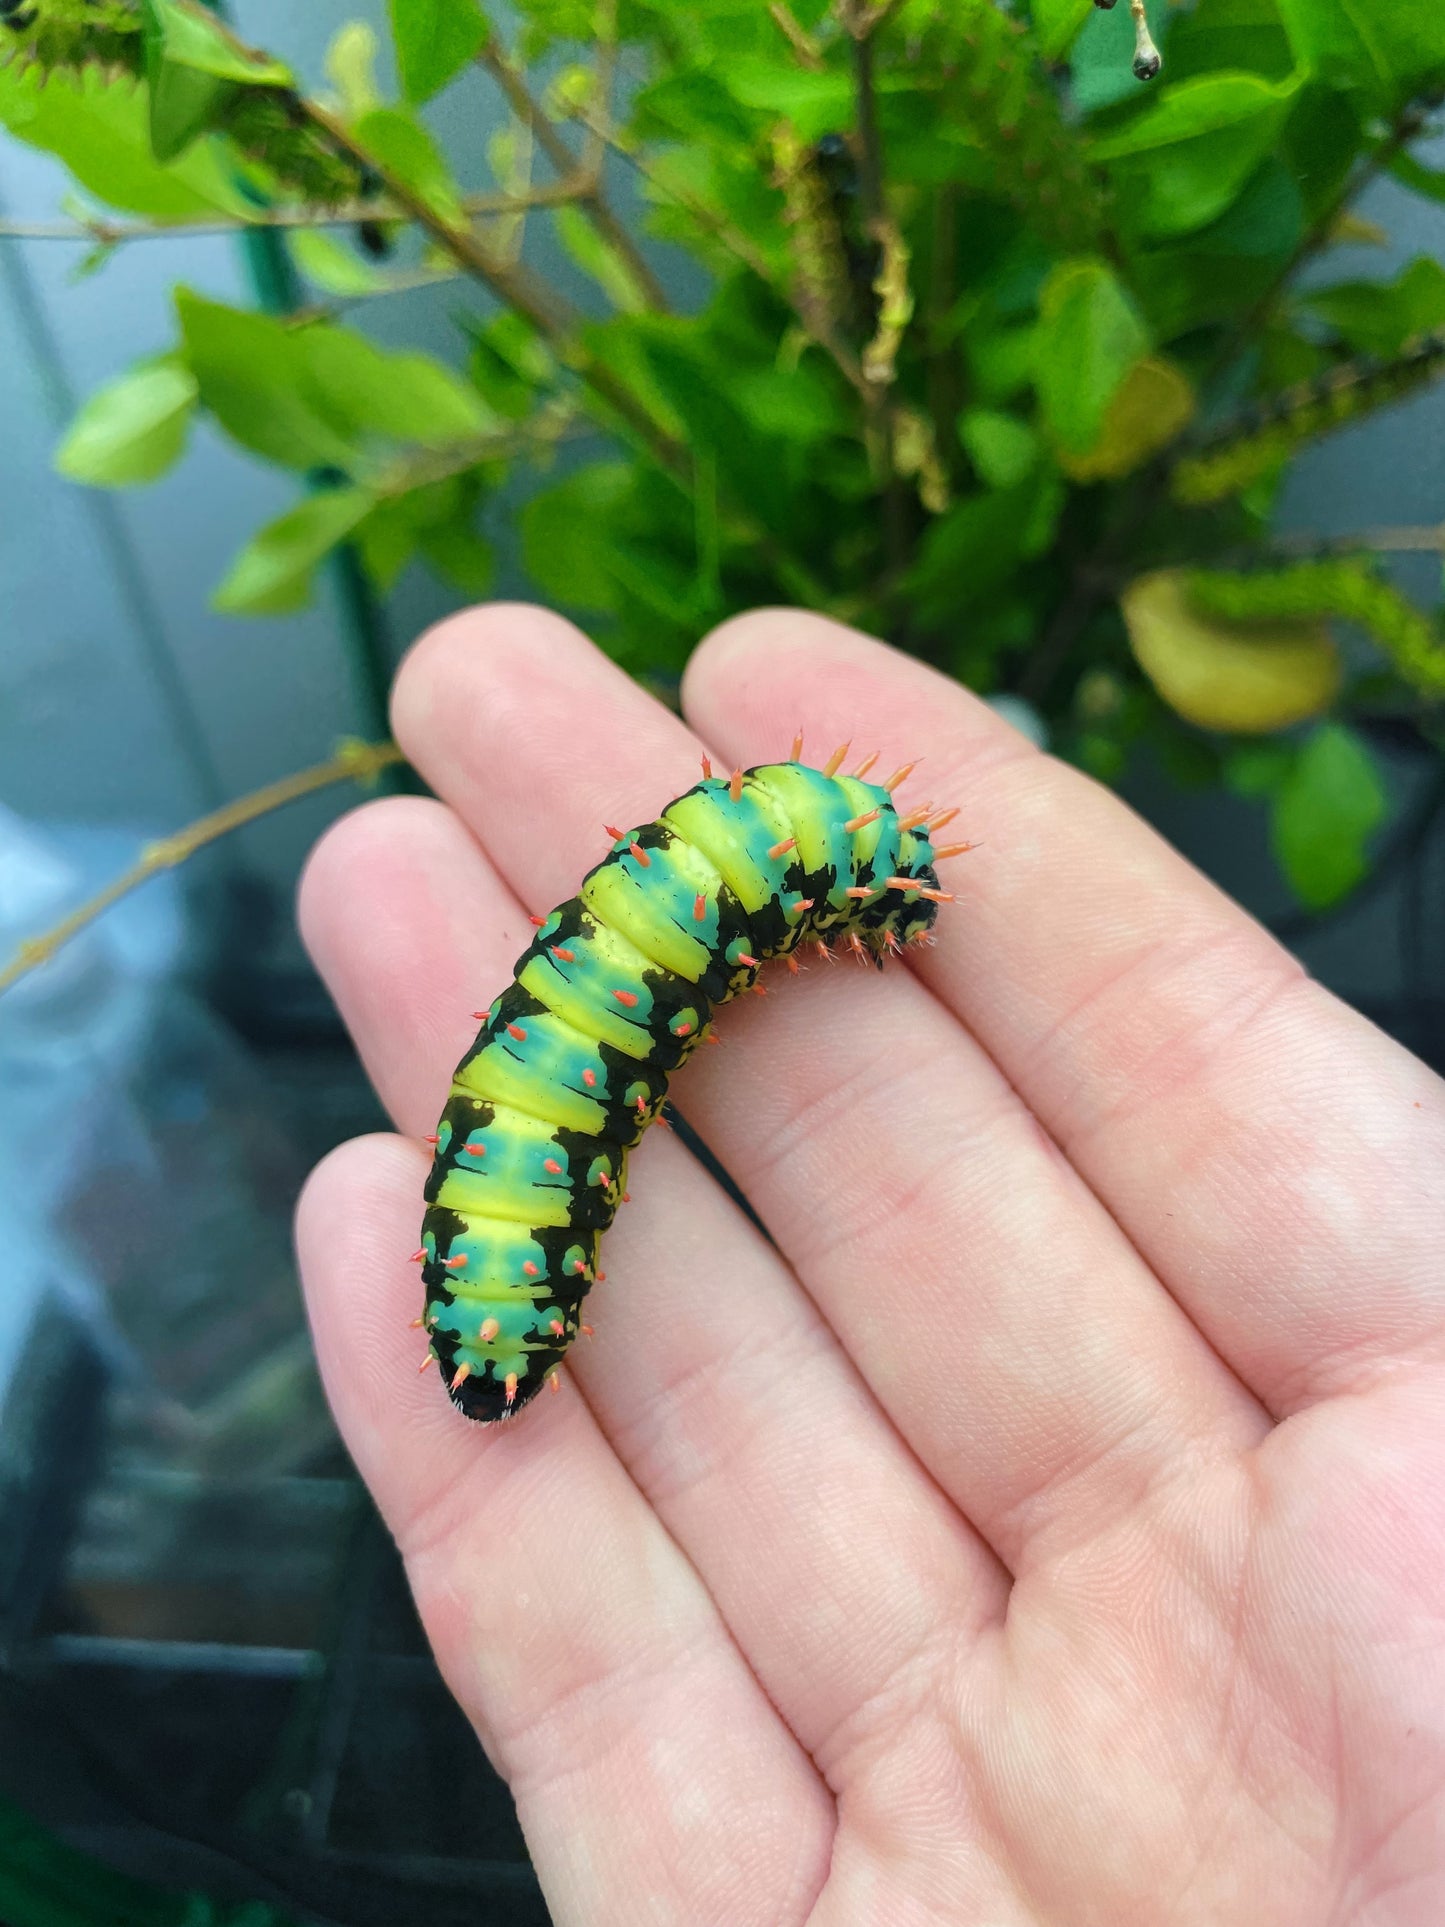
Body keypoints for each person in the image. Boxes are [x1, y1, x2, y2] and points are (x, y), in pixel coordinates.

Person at [297, 605, 1445, 1926]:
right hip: (521, 1193)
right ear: (797, 907)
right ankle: (498, 1319)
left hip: (525, 1154)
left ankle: (498, 1316)